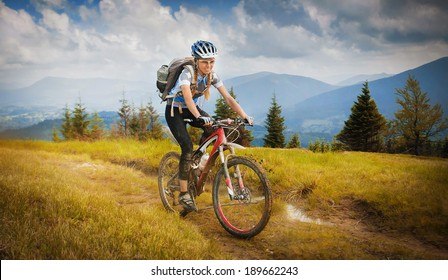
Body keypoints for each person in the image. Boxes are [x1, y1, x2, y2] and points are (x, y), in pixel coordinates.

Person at [165, 40, 253, 212]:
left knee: (214, 128)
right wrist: (199, 117)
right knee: (187, 147)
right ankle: (184, 193)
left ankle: (200, 158)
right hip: (175, 111)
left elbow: (228, 98)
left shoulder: (213, 76)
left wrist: (244, 116)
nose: (209, 65)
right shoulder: (187, 73)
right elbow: (188, 98)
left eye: (212, 61)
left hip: (193, 110)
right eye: (205, 62)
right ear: (196, 61)